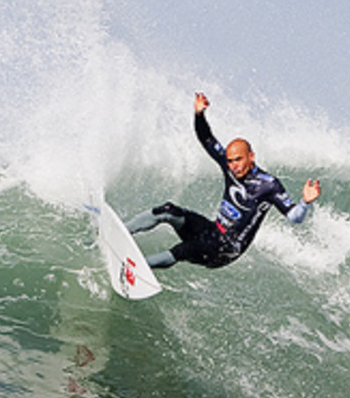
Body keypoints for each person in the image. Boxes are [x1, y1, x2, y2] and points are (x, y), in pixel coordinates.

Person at [126, 92, 322, 270]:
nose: (233, 165)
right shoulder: (229, 168)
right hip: (213, 231)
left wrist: (305, 203)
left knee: (183, 250)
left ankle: (137, 268)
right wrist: (199, 115)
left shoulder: (269, 185)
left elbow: (294, 217)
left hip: (227, 249)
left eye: (238, 160)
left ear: (251, 157)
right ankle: (124, 230)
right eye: (230, 161)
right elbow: (207, 139)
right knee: (168, 210)